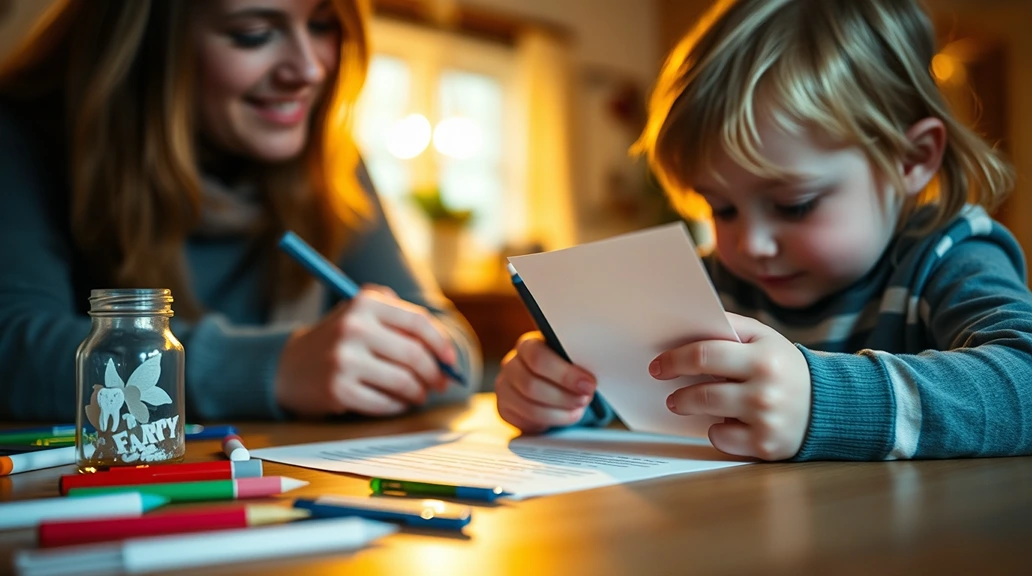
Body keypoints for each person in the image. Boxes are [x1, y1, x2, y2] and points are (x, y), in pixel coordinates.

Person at [495, 0, 1032, 461]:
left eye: (794, 205)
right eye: (721, 210)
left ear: (912, 158)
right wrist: (557, 389)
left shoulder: (950, 255)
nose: (750, 245)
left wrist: (825, 401)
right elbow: (632, 390)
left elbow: (1024, 383)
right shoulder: (712, 284)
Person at [0, 0, 481, 422]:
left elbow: (452, 354)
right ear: (153, 45)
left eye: (321, 24)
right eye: (254, 34)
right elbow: (14, 352)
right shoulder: (23, 135)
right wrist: (275, 368)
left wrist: (410, 349)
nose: (309, 69)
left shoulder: (330, 162)